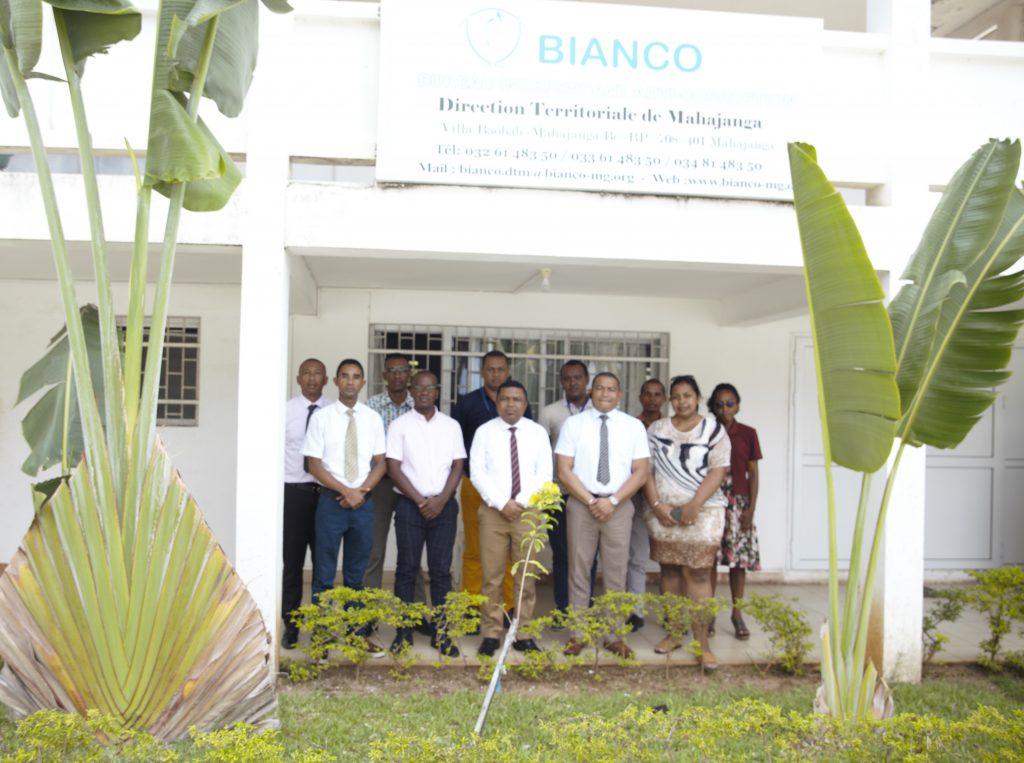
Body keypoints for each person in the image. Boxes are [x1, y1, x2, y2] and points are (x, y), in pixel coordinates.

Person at [556, 372, 650, 659]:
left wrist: (612, 500)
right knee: (579, 570)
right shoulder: (574, 424)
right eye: (599, 388)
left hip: (619, 507)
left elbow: (641, 472)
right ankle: (578, 634)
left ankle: (614, 636)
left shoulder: (633, 426)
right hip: (581, 505)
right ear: (591, 391)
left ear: (619, 395)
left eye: (611, 389)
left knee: (616, 572)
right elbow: (563, 470)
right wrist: (590, 500)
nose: (605, 393)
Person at [643, 375, 730, 671]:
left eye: (687, 396)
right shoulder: (657, 429)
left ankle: (702, 645)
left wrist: (694, 505)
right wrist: (657, 506)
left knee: (699, 574)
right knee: (669, 571)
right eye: (676, 396)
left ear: (698, 398)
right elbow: (646, 470)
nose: (682, 402)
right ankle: (674, 634)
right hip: (663, 512)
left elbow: (718, 471)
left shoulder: (714, 430)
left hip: (704, 512)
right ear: (671, 400)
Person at [303, 358, 387, 654]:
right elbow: (313, 464)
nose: (350, 381)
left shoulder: (372, 418)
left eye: (356, 377)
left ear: (362, 383)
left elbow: (381, 463)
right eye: (345, 376)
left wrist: (360, 491)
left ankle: (356, 635)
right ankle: (322, 635)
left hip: (362, 504)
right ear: (337, 381)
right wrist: (345, 491)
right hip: (331, 502)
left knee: (356, 574)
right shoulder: (322, 418)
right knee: (324, 573)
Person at [386, 371, 466, 656]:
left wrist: (441, 500)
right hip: (410, 505)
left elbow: (458, 465)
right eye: (418, 387)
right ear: (411, 391)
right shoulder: (399, 425)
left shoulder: (451, 426)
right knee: (407, 569)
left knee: (441, 572)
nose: (424, 392)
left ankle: (442, 633)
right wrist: (421, 501)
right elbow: (393, 469)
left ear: (437, 392)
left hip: (444, 507)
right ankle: (403, 632)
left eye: (429, 388)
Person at [471, 380, 552, 657]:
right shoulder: (484, 432)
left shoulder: (537, 433)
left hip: (527, 513)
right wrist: (501, 503)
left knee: (526, 576)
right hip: (493, 512)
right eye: (505, 399)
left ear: (525, 404)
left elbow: (545, 473)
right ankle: (491, 633)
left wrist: (521, 502)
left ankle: (523, 633)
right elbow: (477, 472)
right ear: (497, 403)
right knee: (492, 577)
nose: (511, 404)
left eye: (517, 399)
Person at [452, 350, 532, 611]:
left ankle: (508, 604)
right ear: (482, 372)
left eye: (500, 369)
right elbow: (457, 444)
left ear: (507, 372)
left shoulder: (519, 402)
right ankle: (473, 604)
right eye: (490, 369)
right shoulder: (467, 403)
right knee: (474, 548)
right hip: (475, 485)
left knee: (509, 549)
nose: (495, 374)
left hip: (512, 491)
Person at [364, 352, 426, 604]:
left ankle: (415, 612)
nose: (398, 376)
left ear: (409, 374)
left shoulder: (420, 405)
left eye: (402, 371)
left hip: (410, 486)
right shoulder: (372, 406)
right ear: (384, 375)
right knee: (374, 550)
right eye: (392, 371)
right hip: (379, 484)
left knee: (411, 551)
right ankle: (369, 613)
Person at [282, 358, 329, 649]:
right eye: (307, 374)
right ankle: (291, 624)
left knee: (324, 563)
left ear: (326, 380)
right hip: (294, 493)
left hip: (326, 495)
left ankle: (321, 625)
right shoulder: (284, 411)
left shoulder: (335, 412)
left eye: (317, 374)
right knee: (293, 562)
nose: (312, 379)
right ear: (298, 378)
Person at [537, 359, 590, 617]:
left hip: (589, 493)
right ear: (561, 382)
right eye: (568, 378)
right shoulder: (550, 413)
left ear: (586, 380)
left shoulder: (598, 411)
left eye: (578, 377)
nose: (573, 382)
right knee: (561, 552)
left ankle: (584, 608)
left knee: (587, 553)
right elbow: (541, 451)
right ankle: (563, 607)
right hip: (557, 492)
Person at [710, 382, 762, 641]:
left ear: (738, 405)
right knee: (708, 560)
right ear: (712, 407)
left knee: (738, 562)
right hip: (712, 501)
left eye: (730, 403)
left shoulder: (748, 433)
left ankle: (737, 614)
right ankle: (708, 614)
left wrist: (750, 509)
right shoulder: (707, 432)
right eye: (719, 404)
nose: (725, 408)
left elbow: (753, 473)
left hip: (739, 502)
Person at [626, 378, 665, 632]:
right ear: (640, 398)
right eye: (647, 394)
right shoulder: (631, 426)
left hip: (666, 500)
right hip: (637, 498)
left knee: (670, 560)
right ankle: (635, 611)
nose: (652, 399)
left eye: (657, 394)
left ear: (664, 398)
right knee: (637, 556)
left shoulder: (670, 427)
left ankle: (672, 612)